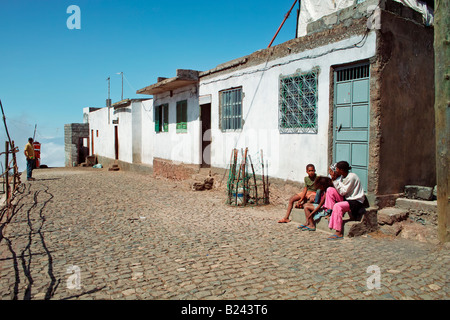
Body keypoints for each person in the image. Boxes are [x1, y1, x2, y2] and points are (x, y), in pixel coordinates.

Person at [325, 161, 365, 240]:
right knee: (329, 190)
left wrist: (334, 180)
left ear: (342, 170)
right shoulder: (343, 177)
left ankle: (338, 232)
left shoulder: (351, 177)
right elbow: (340, 189)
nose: (336, 171)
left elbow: (343, 192)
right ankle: (330, 213)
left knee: (338, 206)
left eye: (337, 169)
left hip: (355, 201)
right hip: (347, 198)